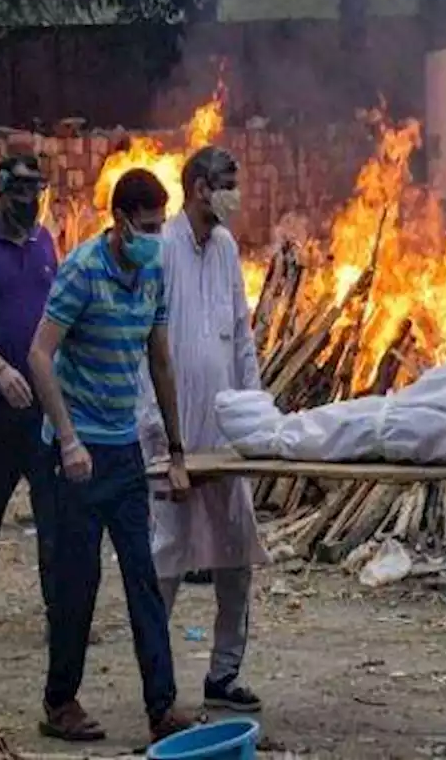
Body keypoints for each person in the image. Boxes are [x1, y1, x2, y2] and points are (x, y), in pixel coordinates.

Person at [28, 168, 194, 744]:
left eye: (160, 225)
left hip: (123, 448)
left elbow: (161, 360)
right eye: (147, 226)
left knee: (143, 578)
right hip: (77, 453)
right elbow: (40, 355)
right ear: (121, 221)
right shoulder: (81, 271)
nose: (155, 236)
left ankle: (162, 707)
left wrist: (175, 450)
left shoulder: (152, 272)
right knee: (78, 582)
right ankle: (59, 702)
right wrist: (68, 438)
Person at [139, 147, 266, 713]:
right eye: (228, 184)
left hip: (224, 434)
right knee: (165, 559)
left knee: (236, 554)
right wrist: (157, 439)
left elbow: (241, 335)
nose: (235, 195)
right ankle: (158, 684)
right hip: (172, 434)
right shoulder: (159, 249)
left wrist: (255, 417)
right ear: (197, 188)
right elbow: (144, 348)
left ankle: (223, 674)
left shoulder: (227, 248)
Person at [0, 154, 58, 617]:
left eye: (35, 191)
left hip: (42, 409)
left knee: (56, 519)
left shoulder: (44, 242)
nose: (29, 201)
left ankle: (62, 618)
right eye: (20, 191)